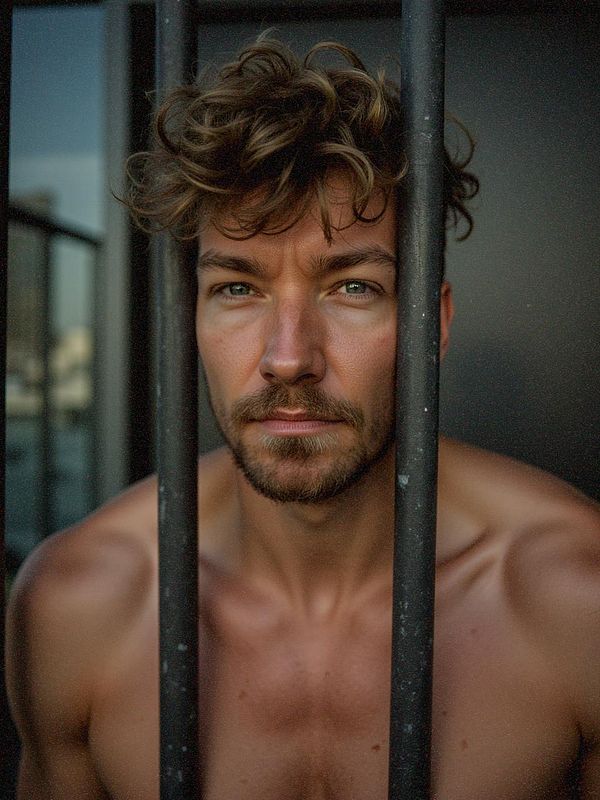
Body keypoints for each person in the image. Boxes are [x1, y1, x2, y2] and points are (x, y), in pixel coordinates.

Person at [6, 37, 600, 800]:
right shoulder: (80, 603)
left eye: (352, 287)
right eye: (236, 289)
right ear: (190, 319)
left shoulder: (573, 598)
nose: (289, 358)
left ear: (432, 326)